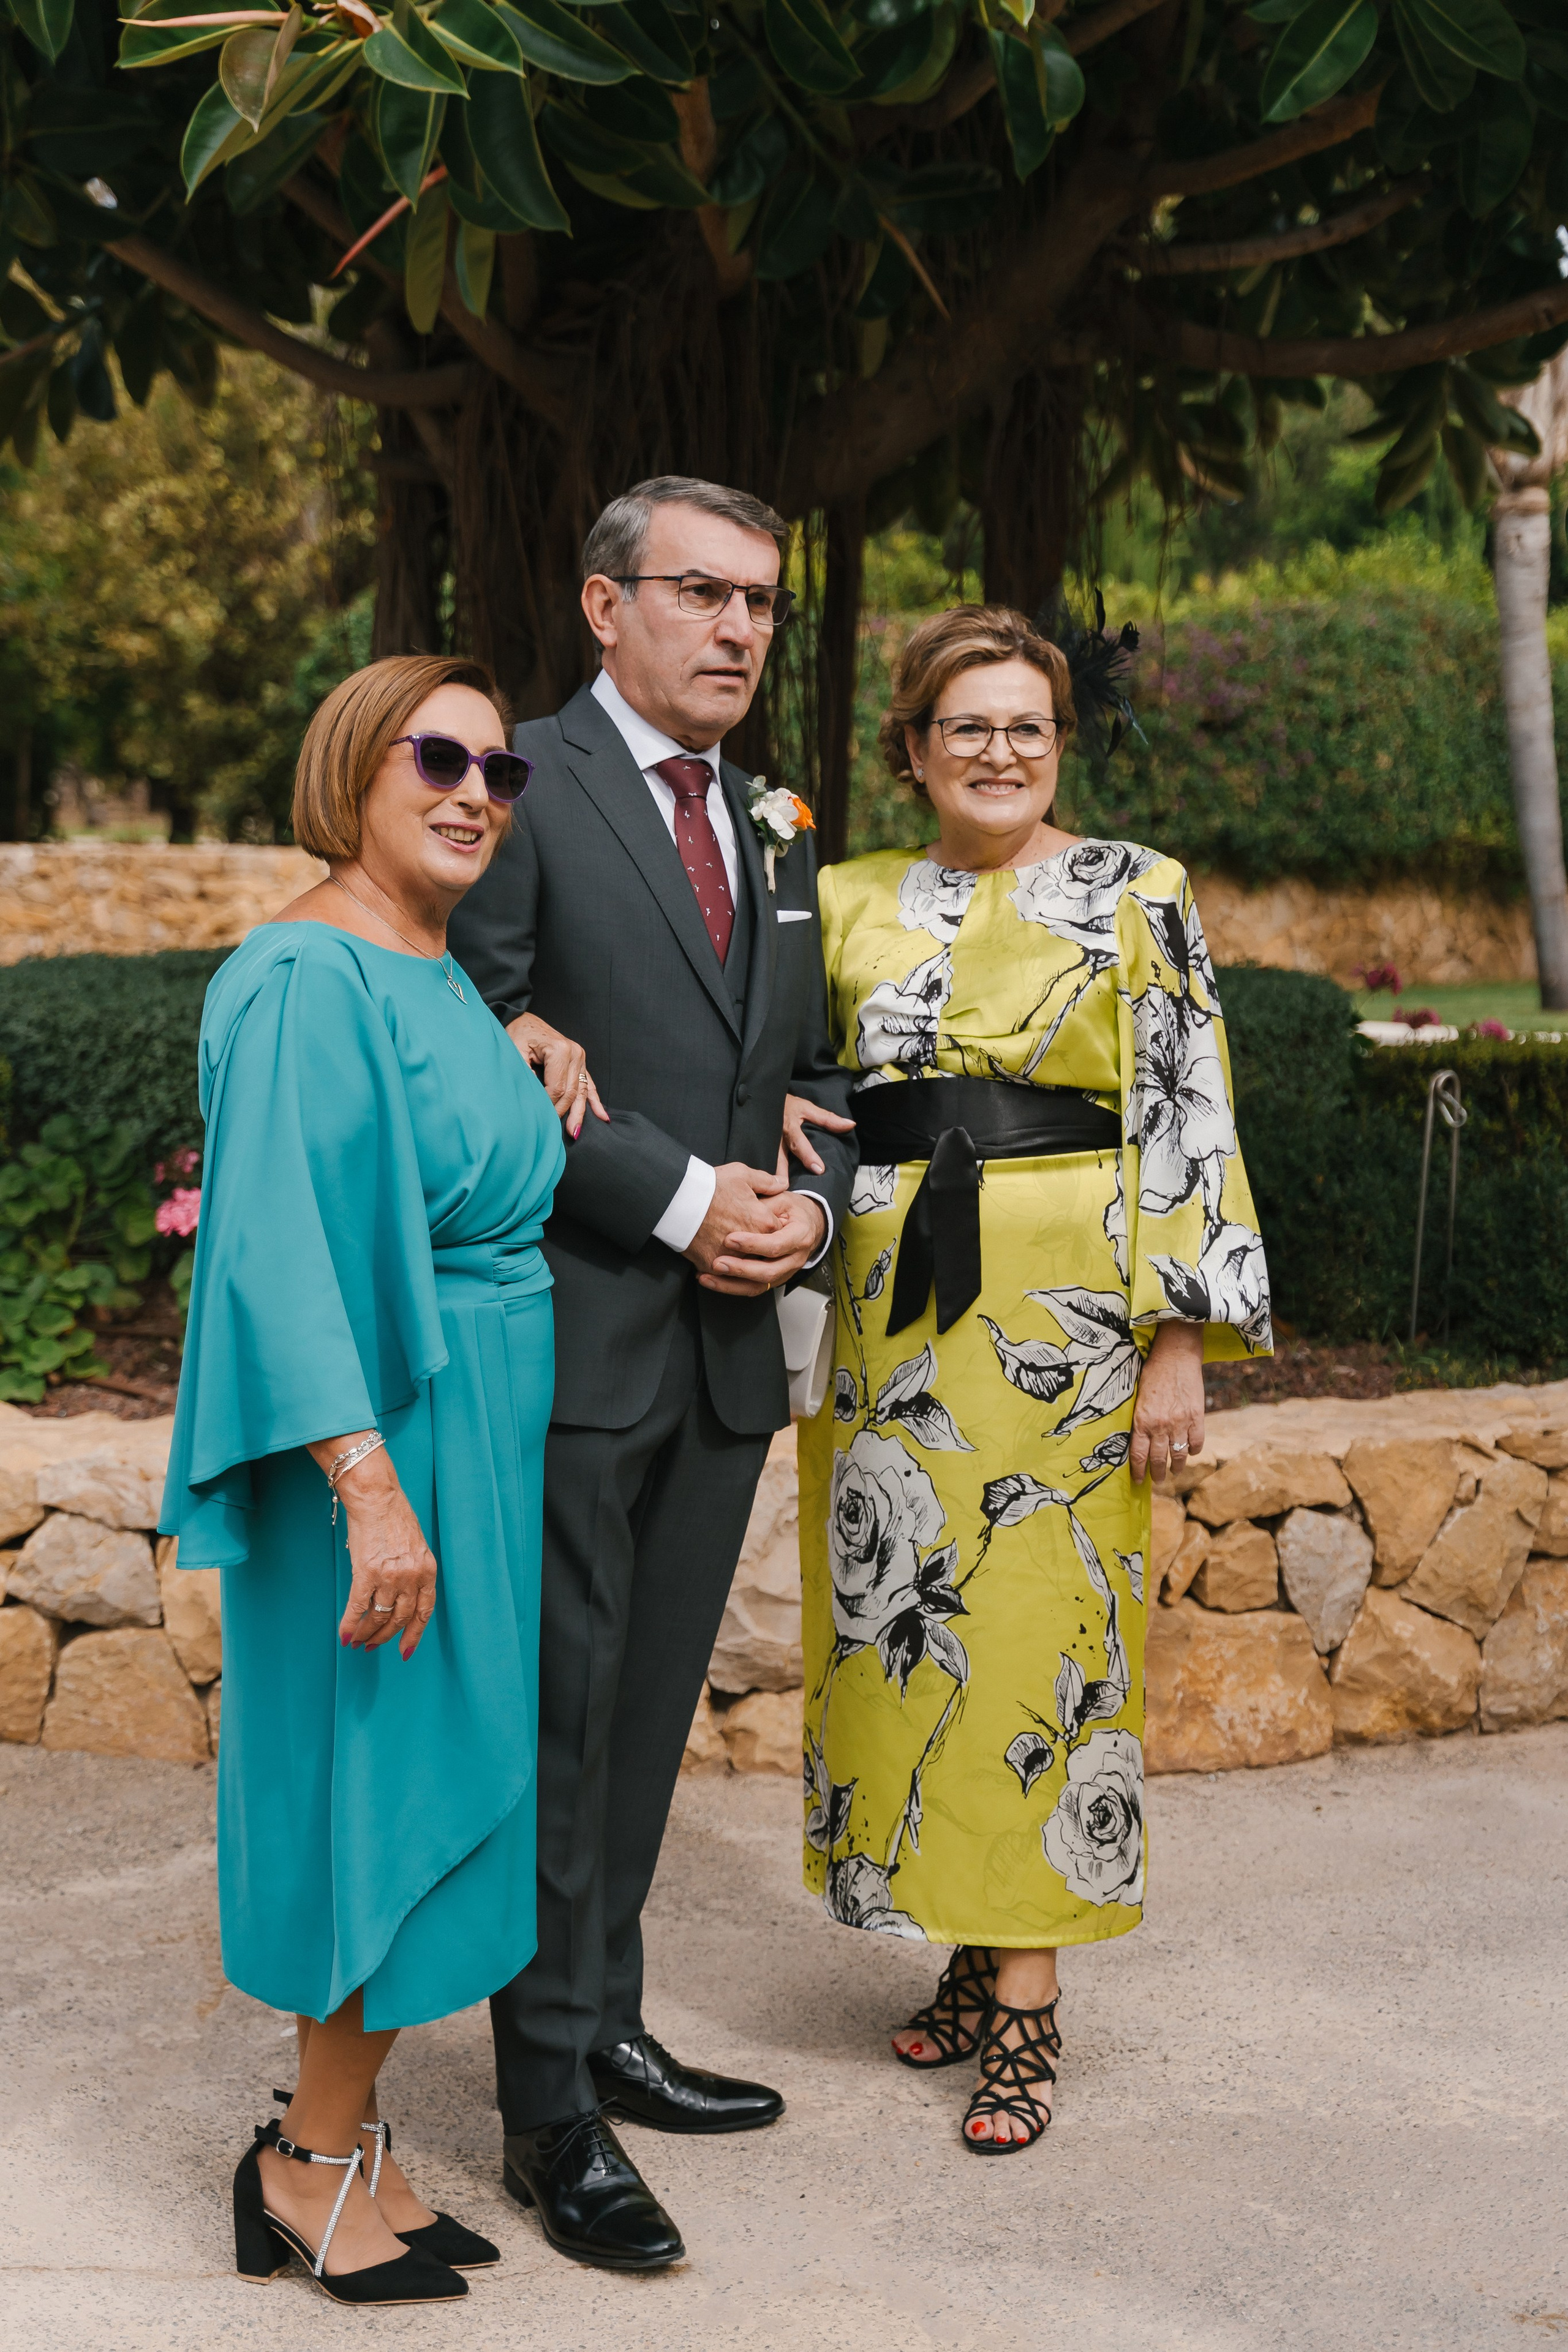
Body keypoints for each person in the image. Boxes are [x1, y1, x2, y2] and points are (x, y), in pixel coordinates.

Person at [794, 604, 1272, 2154]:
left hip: (1063, 1324)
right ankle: (959, 1922)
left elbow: (1185, 1103)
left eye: (1027, 727)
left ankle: (1026, 2011)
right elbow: (788, 1093)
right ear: (914, 747)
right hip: (888, 1323)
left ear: (1058, 744)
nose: (997, 752)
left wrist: (1177, 1341)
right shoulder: (849, 898)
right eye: (966, 726)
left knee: (1038, 1630)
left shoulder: (1138, 891)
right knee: (909, 1635)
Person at [447, 475, 857, 2270]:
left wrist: (803, 1214)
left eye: (762, 602)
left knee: (646, 1728)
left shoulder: (773, 822)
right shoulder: (516, 786)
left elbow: (809, 1067)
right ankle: (546, 2114)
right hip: (578, 1333)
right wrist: (687, 1202)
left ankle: (607, 2021)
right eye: (703, 594)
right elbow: (478, 1039)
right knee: (558, 1722)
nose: (742, 630)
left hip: (722, 1353)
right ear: (606, 606)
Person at [159, 655, 571, 2302]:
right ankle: (304, 2162)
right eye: (439, 756)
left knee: (444, 1786)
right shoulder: (297, 974)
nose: (476, 788)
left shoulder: (433, 965)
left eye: (502, 770)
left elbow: (436, 1139)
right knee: (376, 1793)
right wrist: (366, 1487)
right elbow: (268, 1250)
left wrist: (529, 1051)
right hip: (385, 1443)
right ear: (356, 765)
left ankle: (349, 2138)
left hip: (477, 1427)